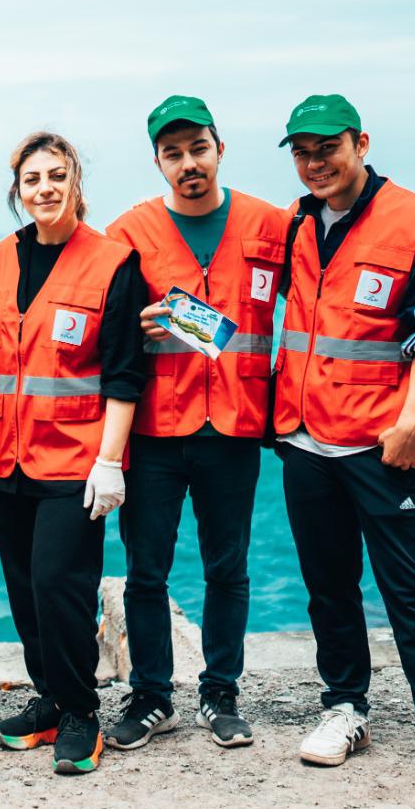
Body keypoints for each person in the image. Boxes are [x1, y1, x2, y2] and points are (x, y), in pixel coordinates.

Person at [272, 94, 415, 809]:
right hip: (305, 442)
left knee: (414, 595)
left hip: (382, 446)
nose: (315, 162)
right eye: (301, 152)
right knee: (329, 587)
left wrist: (407, 424)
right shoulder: (300, 222)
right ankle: (345, 706)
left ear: (359, 142)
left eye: (327, 147)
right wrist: (166, 316)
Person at [102, 97, 287, 751]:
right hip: (155, 428)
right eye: (173, 153)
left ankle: (220, 692)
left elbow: (322, 303)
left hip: (235, 426)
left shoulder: (271, 224)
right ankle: (153, 695)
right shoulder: (128, 232)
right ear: (157, 160)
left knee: (226, 568)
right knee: (145, 571)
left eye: (198, 148)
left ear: (220, 148)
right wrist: (138, 326)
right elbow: (103, 328)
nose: (189, 164)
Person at [0, 132, 146, 775]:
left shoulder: (112, 262)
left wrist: (111, 461)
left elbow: (125, 374)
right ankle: (48, 699)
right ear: (17, 190)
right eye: (31, 180)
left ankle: (81, 711)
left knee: (60, 586)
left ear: (75, 181)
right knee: (25, 590)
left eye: (56, 175)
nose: (44, 188)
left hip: (75, 461)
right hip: (9, 456)